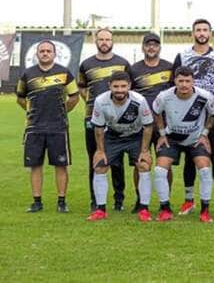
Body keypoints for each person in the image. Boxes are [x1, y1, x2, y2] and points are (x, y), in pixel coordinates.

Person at [172, 19, 214, 215]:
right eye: (198, 29)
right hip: (190, 113)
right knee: (190, 155)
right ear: (193, 33)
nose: (202, 33)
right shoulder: (183, 56)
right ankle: (189, 199)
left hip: (213, 113)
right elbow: (175, 83)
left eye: (205, 30)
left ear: (210, 33)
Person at [16, 40, 80, 213]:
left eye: (48, 51)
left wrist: (62, 111)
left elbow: (75, 96)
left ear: (54, 53)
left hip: (58, 127)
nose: (45, 53)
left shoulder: (64, 73)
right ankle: (37, 202)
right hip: (34, 127)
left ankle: (61, 202)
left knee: (61, 165)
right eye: (42, 51)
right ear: (37, 54)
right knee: (35, 165)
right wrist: (31, 111)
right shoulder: (27, 74)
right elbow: (20, 97)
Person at [152, 66, 214, 223]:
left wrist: (205, 133)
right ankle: (165, 209)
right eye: (180, 80)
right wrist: (162, 134)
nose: (184, 84)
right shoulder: (164, 96)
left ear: (193, 82)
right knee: (160, 170)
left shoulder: (204, 96)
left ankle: (204, 210)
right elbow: (156, 112)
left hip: (195, 139)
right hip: (172, 139)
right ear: (175, 81)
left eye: (187, 81)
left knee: (204, 168)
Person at [88, 71, 154, 222]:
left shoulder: (139, 100)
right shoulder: (100, 101)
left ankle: (144, 209)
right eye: (116, 86)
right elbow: (98, 128)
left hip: (135, 136)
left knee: (144, 165)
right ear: (109, 86)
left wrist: (144, 151)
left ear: (129, 86)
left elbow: (148, 126)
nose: (119, 90)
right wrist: (100, 150)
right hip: (112, 136)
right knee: (99, 166)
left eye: (123, 86)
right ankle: (100, 210)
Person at [78, 28, 131, 212]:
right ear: (96, 41)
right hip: (92, 118)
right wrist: (94, 105)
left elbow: (128, 89)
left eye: (107, 39)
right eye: (101, 39)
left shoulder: (123, 63)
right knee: (95, 158)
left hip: (118, 119)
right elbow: (82, 88)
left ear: (112, 41)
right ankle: (96, 200)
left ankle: (119, 199)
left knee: (116, 161)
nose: (104, 42)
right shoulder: (86, 64)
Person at [128, 32, 174, 213]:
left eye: (155, 45)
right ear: (143, 47)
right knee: (140, 162)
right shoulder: (134, 69)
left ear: (159, 48)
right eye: (148, 45)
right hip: (141, 125)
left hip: (164, 124)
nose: (151, 48)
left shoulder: (169, 68)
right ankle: (140, 200)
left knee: (165, 162)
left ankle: (166, 199)